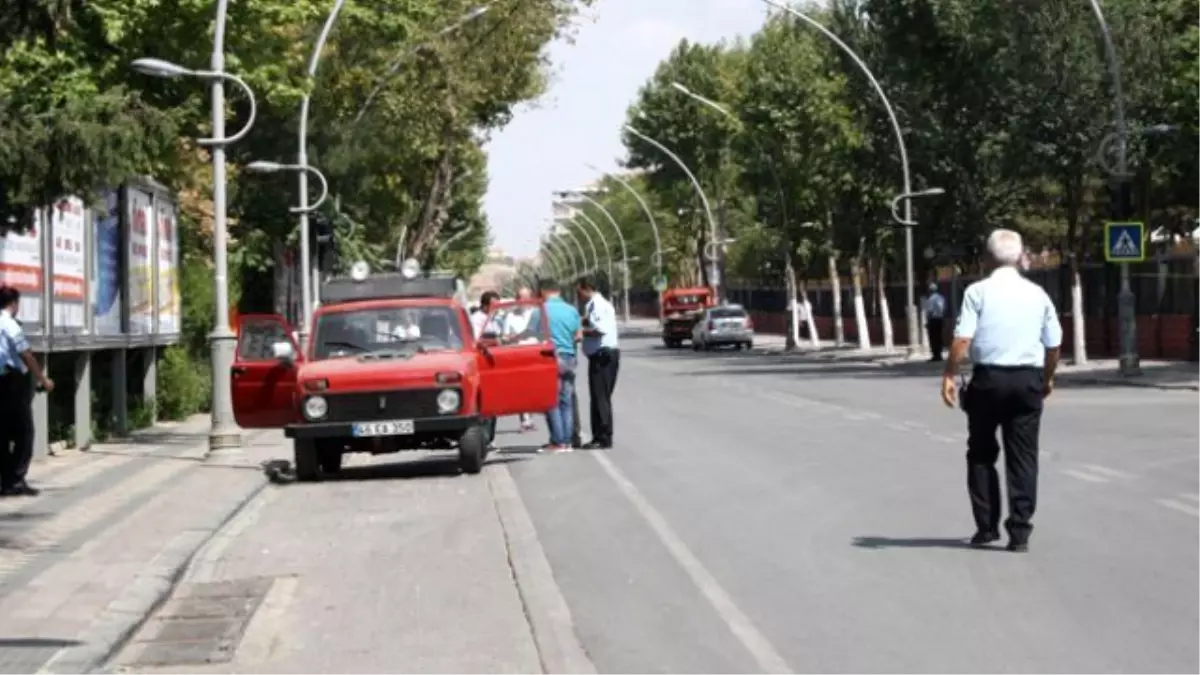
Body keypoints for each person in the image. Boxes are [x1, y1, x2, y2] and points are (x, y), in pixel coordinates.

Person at [940, 229, 1062, 553]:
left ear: (988, 258)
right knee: (1023, 458)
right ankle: (1020, 533)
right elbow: (1053, 345)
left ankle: (986, 527)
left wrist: (950, 375)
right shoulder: (1038, 294)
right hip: (1027, 382)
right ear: (1020, 257)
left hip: (988, 381)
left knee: (981, 454)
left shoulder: (977, 291)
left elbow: (962, 340)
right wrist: (1047, 379)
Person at [0, 286, 54, 496]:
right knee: (25, 432)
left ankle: (6, 480)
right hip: (11, 383)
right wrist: (43, 379)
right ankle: (15, 479)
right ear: (14, 304)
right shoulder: (10, 324)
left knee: (2, 433)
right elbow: (26, 354)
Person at [538, 279, 581, 452]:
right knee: (566, 401)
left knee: (551, 401)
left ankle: (557, 441)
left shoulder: (541, 310)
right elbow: (578, 335)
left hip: (550, 358)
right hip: (569, 357)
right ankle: (567, 441)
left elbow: (532, 334)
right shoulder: (571, 310)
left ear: (543, 291)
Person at [577, 279, 620, 449]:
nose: (578, 296)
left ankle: (603, 436)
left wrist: (581, 333)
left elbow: (600, 329)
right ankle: (600, 435)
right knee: (598, 397)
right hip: (599, 356)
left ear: (587, 289)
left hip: (603, 355)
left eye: (579, 292)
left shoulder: (599, 305)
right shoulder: (592, 305)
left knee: (600, 397)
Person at [503, 287, 538, 432]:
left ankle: (531, 416)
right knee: (521, 388)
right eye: (520, 298)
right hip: (518, 355)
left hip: (536, 354)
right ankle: (525, 419)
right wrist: (510, 339)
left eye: (525, 297)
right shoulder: (510, 316)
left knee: (534, 388)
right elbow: (504, 336)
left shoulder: (537, 313)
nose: (522, 301)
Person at [923, 283, 946, 361]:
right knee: (939, 337)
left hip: (933, 320)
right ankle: (939, 355)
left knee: (933, 338)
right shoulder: (941, 298)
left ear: (930, 290)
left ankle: (935, 355)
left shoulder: (931, 299)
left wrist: (927, 321)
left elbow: (930, 311)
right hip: (940, 319)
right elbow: (943, 309)